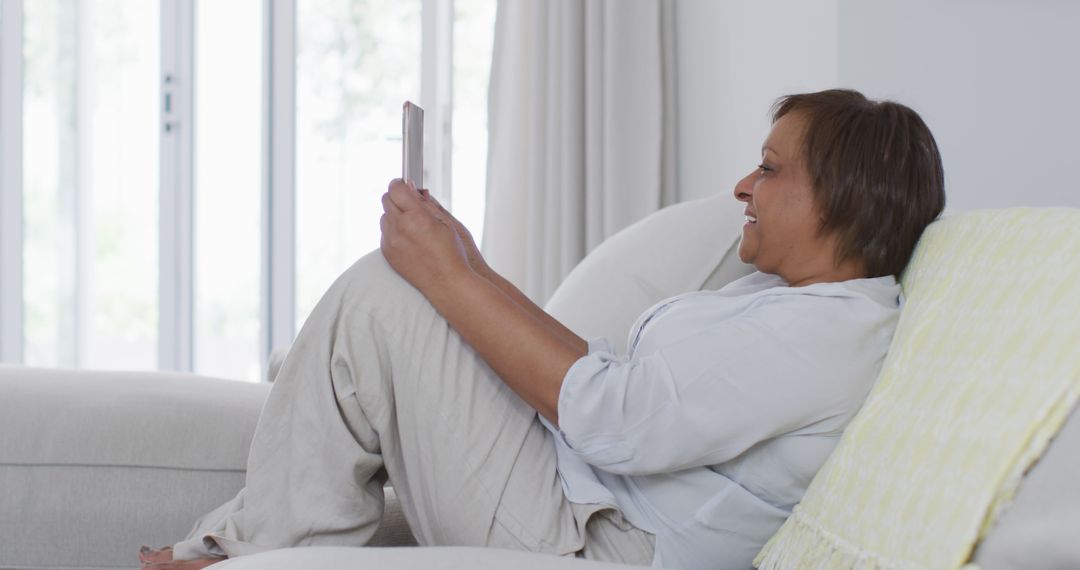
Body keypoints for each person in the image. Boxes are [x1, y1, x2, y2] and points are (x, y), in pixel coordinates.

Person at [138, 89, 945, 569]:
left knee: (384, 298)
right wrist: (469, 269)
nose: (744, 183)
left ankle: (244, 552)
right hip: (574, 492)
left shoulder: (824, 339)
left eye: (769, 169)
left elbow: (616, 421)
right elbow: (605, 375)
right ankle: (255, 529)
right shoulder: (790, 307)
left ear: (840, 197)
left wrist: (447, 278)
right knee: (393, 305)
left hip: (590, 538)